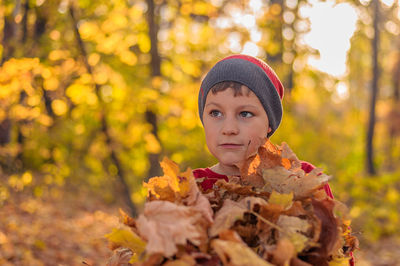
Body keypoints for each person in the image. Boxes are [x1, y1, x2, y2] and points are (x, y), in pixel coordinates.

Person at [192, 54, 354, 265]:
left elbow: (339, 255)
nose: (229, 129)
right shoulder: (192, 186)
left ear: (269, 124)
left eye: (245, 114)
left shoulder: (303, 179)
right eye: (215, 113)